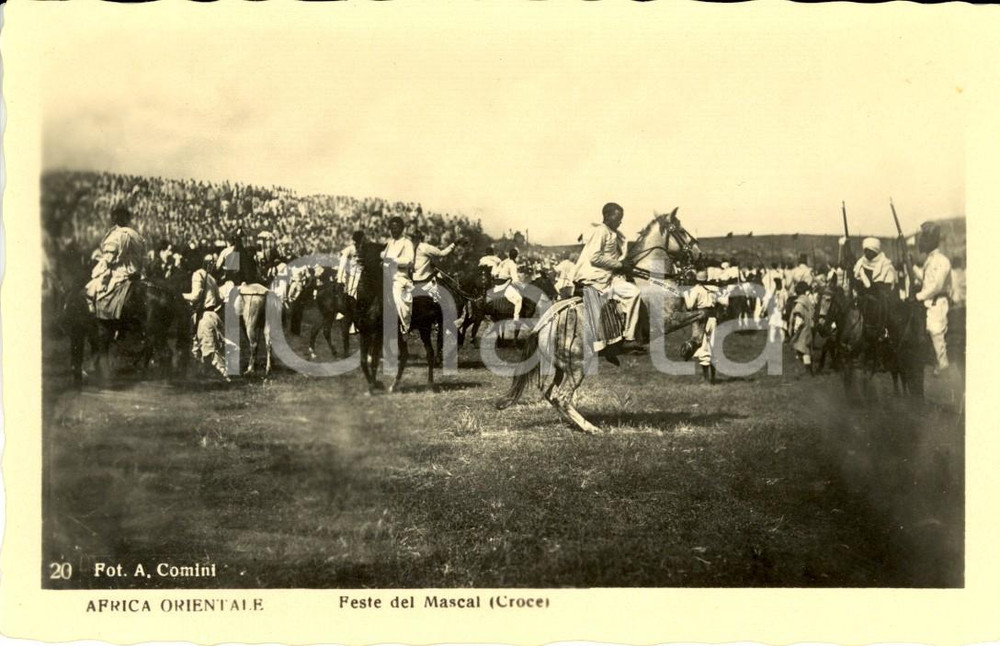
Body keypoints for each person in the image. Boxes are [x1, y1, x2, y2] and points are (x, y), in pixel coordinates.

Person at [574, 202, 642, 365]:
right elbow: (594, 257)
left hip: (608, 278)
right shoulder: (601, 231)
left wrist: (624, 265)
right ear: (607, 216)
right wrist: (619, 265)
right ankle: (613, 341)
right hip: (595, 279)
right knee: (626, 296)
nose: (620, 221)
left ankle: (628, 338)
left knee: (634, 292)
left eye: (621, 218)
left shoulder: (614, 233)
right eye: (618, 218)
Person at [84, 203, 147, 317]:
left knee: (91, 289)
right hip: (137, 273)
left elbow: (109, 259)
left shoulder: (116, 234)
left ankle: (96, 314)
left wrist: (97, 270)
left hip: (121, 274)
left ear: (115, 218)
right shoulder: (137, 235)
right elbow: (143, 257)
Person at [913, 221, 953, 374]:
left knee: (935, 330)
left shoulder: (941, 260)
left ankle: (943, 365)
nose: (921, 242)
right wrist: (912, 267)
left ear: (932, 240)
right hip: (929, 301)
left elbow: (936, 285)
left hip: (938, 302)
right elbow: (927, 281)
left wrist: (919, 296)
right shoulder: (930, 259)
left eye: (924, 238)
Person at [182, 254, 227, 379]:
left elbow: (196, 295)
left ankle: (224, 377)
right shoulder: (212, 279)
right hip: (213, 315)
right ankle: (203, 373)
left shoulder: (198, 274)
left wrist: (181, 296)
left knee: (206, 347)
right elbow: (220, 298)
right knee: (209, 346)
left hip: (203, 317)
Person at [683, 268, 720, 384]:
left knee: (703, 347)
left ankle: (706, 379)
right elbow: (724, 302)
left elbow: (689, 306)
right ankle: (713, 378)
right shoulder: (714, 288)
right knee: (713, 346)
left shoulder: (696, 289)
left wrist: (685, 294)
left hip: (702, 320)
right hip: (713, 319)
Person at [381, 216, 415, 333]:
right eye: (392, 228)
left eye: (396, 228)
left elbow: (409, 261)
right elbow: (383, 255)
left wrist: (394, 261)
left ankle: (404, 325)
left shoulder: (407, 243)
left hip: (399, 277)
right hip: (386, 275)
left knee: (397, 297)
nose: (393, 230)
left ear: (401, 228)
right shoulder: (390, 243)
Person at [411, 229, 457, 303]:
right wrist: (454, 244)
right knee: (442, 282)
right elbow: (442, 253)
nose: (429, 237)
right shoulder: (425, 247)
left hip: (414, 278)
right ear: (422, 238)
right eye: (427, 236)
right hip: (424, 278)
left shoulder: (410, 247)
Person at [789, 281, 815, 375]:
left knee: (802, 349)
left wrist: (795, 329)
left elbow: (798, 319)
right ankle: (808, 369)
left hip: (802, 330)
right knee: (806, 349)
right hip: (808, 328)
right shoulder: (808, 301)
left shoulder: (799, 304)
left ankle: (807, 370)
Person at [494, 247, 524, 323]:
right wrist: (522, 287)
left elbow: (495, 273)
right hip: (504, 285)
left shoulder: (504, 261)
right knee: (519, 299)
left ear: (509, 254)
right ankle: (516, 318)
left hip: (496, 284)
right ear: (516, 256)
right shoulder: (512, 264)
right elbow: (515, 280)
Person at [337, 230, 366, 300]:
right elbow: (342, 263)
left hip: (362, 275)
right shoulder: (350, 249)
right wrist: (339, 280)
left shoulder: (364, 249)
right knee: (351, 295)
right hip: (352, 275)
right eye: (362, 240)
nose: (363, 242)